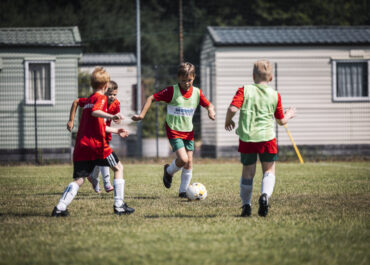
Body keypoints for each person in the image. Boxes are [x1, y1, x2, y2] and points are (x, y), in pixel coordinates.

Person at [52, 67, 134, 217]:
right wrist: (111, 116)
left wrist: (117, 130)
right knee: (118, 167)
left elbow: (98, 123)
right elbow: (96, 112)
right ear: (105, 85)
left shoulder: (89, 99)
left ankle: (60, 207)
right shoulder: (101, 99)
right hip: (97, 145)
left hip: (81, 146)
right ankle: (119, 205)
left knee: (80, 179)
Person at [132, 62, 215, 197]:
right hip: (174, 130)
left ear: (194, 77)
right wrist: (141, 115)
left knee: (189, 161)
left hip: (188, 131)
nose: (187, 83)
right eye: (183, 80)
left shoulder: (197, 93)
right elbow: (151, 98)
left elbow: (209, 105)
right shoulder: (172, 91)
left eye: (189, 80)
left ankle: (183, 191)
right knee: (183, 159)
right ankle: (169, 172)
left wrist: (211, 111)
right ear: (178, 78)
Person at [224, 59, 296, 217]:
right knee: (269, 170)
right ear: (271, 78)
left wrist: (228, 120)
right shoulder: (275, 95)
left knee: (248, 171)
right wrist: (289, 114)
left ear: (253, 76)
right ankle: (265, 196)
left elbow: (232, 108)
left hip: (248, 138)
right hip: (267, 138)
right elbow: (281, 121)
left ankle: (246, 205)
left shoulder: (244, 90)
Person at [67, 81, 121, 193]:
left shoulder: (116, 104)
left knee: (98, 162)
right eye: (110, 94)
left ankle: (93, 178)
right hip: (94, 137)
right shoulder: (97, 100)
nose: (112, 97)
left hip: (105, 134)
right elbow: (77, 101)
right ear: (105, 91)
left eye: (115, 95)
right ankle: (107, 184)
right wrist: (71, 120)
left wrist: (117, 120)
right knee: (109, 162)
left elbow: (113, 119)